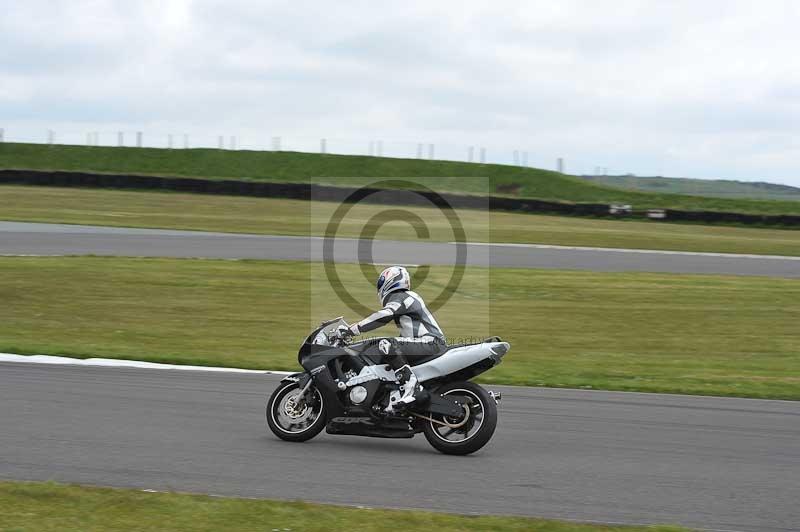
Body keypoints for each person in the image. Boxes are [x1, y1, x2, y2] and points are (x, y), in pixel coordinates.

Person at [341, 266, 446, 409]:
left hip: (430, 342)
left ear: (390, 281)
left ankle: (412, 387)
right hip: (428, 343)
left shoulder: (401, 296)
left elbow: (384, 315)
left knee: (386, 344)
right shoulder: (408, 298)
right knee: (391, 352)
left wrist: (353, 329)